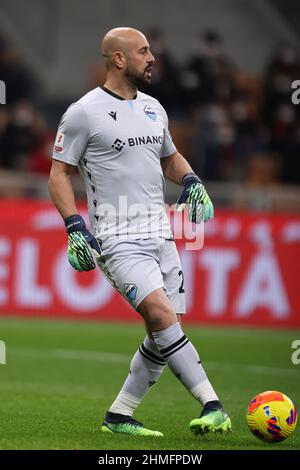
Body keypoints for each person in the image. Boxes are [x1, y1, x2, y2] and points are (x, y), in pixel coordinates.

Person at [48, 27, 231, 438]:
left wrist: (191, 181)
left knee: (165, 331)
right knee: (163, 317)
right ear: (118, 59)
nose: (152, 58)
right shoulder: (84, 112)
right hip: (118, 240)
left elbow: (169, 157)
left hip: (162, 237)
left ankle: (119, 415)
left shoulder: (153, 108)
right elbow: (59, 173)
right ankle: (213, 404)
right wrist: (74, 225)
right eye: (144, 51)